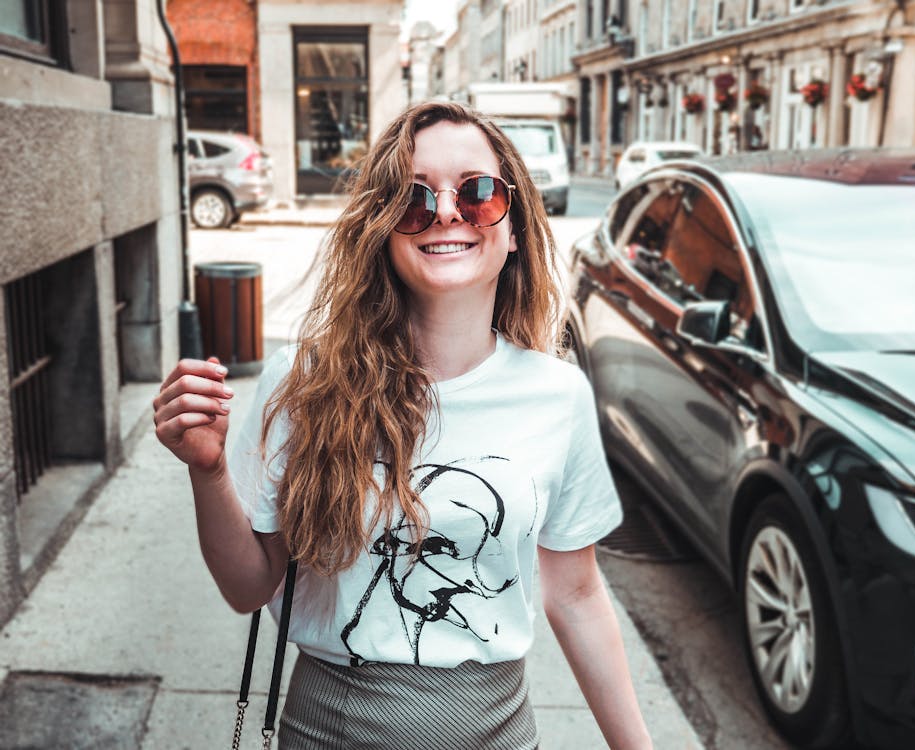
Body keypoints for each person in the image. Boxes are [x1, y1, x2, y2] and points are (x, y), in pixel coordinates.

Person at [153, 101, 654, 750]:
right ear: (383, 231)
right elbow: (247, 587)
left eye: (475, 194)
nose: (446, 212)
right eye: (414, 199)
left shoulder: (556, 396)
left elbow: (577, 594)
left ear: (515, 229)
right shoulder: (303, 380)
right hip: (327, 732)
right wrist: (210, 470)